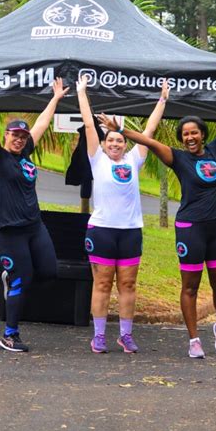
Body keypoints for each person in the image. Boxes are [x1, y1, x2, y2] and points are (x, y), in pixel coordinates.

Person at [99, 76, 216, 358]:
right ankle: (194, 340)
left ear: (202, 134)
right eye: (185, 135)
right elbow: (148, 141)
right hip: (190, 228)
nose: (190, 138)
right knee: (190, 286)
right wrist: (121, 130)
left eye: (194, 133)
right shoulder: (177, 158)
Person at [0, 77, 69, 352]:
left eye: (22, 136)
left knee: (49, 271)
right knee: (21, 280)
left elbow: (41, 124)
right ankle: (9, 334)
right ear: (7, 135)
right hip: (9, 231)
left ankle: (12, 277)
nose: (19, 139)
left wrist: (56, 98)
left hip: (34, 227)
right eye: (15, 134)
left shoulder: (25, 153)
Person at [77, 74, 169, 353]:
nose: (115, 144)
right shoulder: (97, 160)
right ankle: (100, 335)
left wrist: (162, 99)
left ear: (125, 144)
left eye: (119, 141)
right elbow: (90, 124)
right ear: (104, 145)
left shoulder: (134, 159)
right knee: (103, 283)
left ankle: (126, 335)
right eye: (110, 141)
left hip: (130, 231)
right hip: (102, 230)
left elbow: (149, 130)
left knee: (128, 284)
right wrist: (82, 92)